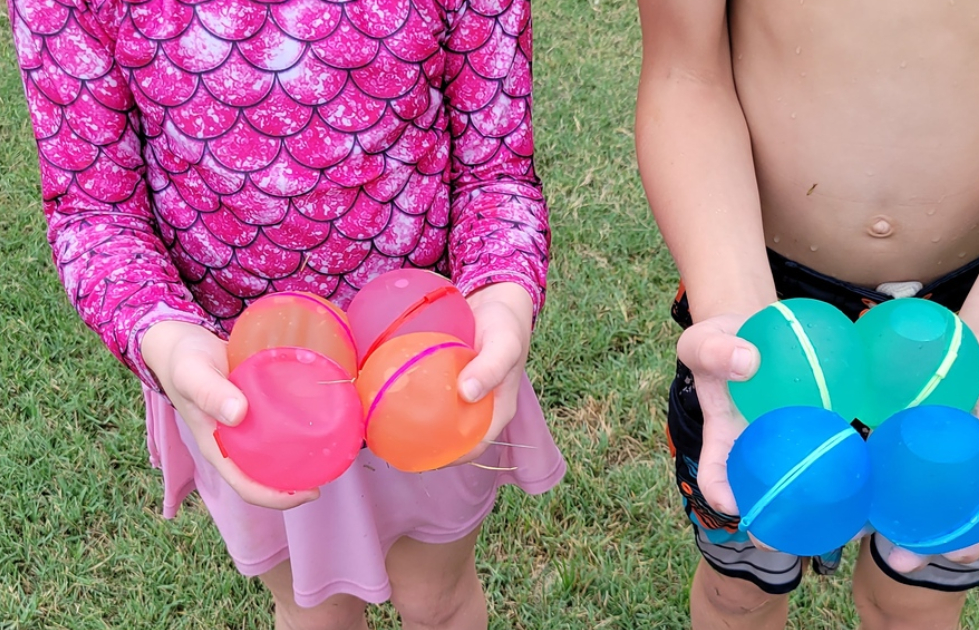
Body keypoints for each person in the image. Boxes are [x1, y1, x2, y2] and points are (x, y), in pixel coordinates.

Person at [9, 0, 565, 627]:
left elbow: (496, 168)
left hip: (427, 368)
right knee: (312, 611)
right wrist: (167, 342)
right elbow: (94, 211)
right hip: (242, 393)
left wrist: (503, 292)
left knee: (437, 600)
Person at [634, 1, 979, 628]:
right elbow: (688, 74)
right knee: (740, 589)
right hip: (762, 303)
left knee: (914, 602)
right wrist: (739, 314)